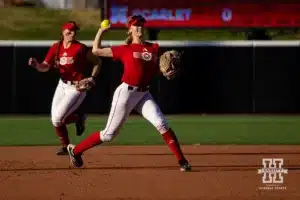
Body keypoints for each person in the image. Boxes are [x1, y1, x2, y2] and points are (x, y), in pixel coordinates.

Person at [66, 15, 191, 172]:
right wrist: (101, 31)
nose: (139, 27)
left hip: (144, 94)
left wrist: (167, 71)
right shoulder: (125, 49)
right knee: (108, 135)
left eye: (141, 25)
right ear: (130, 30)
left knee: (162, 124)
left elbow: (157, 70)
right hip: (125, 93)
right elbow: (96, 51)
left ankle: (182, 161)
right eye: (135, 25)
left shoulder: (154, 48)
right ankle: (75, 151)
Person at [28, 21, 100, 155]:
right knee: (55, 120)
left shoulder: (80, 48)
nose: (72, 33)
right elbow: (45, 66)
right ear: (63, 32)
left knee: (58, 118)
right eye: (70, 31)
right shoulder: (56, 47)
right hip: (62, 85)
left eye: (74, 31)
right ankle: (67, 144)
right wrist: (36, 65)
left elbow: (97, 62)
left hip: (77, 88)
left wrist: (92, 77)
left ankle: (79, 118)